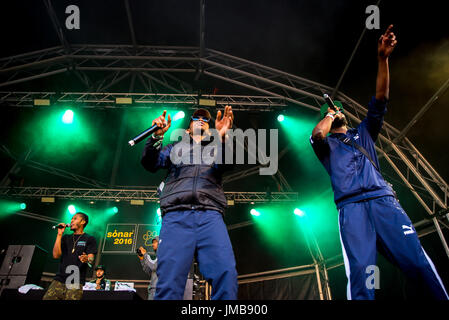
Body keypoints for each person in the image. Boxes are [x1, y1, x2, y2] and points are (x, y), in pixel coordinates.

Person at [310, 25, 448, 300]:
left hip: (383, 201)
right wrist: (329, 114)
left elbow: (381, 99)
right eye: (332, 111)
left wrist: (383, 59)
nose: (338, 112)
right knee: (361, 274)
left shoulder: (363, 132)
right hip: (351, 209)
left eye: (339, 110)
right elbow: (315, 136)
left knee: (417, 263)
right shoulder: (327, 145)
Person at [141, 106, 238, 300]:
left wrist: (223, 137)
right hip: (176, 215)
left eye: (206, 119)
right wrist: (156, 138)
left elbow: (229, 162)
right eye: (196, 117)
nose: (201, 119)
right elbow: (150, 163)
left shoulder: (215, 147)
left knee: (226, 275)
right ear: (187, 129)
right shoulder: (174, 148)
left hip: (209, 214)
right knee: (168, 282)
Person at [43, 212, 97, 300]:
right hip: (59, 279)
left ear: (83, 221)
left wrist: (87, 259)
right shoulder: (65, 237)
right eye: (71, 219)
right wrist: (59, 234)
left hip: (75, 281)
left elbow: (91, 259)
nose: (71, 221)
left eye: (75, 218)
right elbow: (56, 255)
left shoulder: (89, 238)